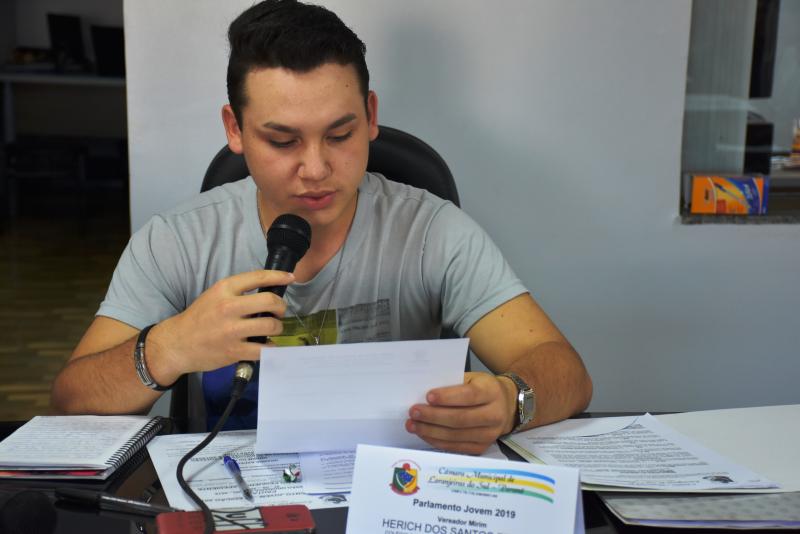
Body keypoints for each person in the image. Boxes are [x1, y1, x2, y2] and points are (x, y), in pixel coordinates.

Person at [51, 0, 592, 455]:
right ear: (235, 129)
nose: (315, 169)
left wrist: (512, 400)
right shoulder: (177, 240)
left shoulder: (433, 231)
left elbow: (564, 370)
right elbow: (72, 399)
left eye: (339, 135)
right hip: (230, 496)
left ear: (371, 116)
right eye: (282, 141)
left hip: (392, 495)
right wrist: (169, 346)